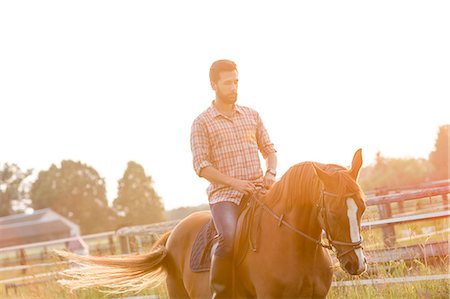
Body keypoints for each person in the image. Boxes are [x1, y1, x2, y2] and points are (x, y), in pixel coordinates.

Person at [190, 59, 278, 298]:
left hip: (260, 190)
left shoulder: (252, 115)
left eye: (236, 81)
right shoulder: (202, 123)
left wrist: (270, 173)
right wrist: (235, 183)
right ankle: (221, 293)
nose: (234, 87)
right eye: (228, 83)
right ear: (213, 84)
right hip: (225, 196)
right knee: (228, 237)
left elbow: (269, 150)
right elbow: (201, 166)